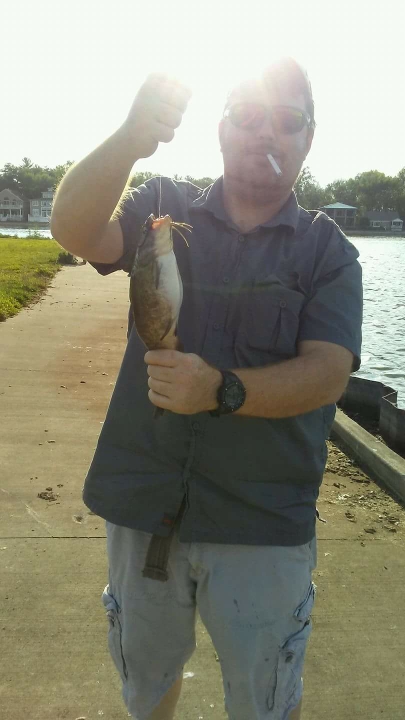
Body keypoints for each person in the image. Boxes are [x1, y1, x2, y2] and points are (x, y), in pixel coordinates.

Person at [51, 57, 363, 720]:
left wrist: (220, 389)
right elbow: (74, 231)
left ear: (309, 138)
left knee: (264, 702)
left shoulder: (327, 251)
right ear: (221, 128)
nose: (264, 132)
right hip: (144, 502)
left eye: (287, 120)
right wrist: (130, 138)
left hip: (261, 521)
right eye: (246, 115)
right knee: (145, 685)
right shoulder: (161, 204)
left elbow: (328, 371)